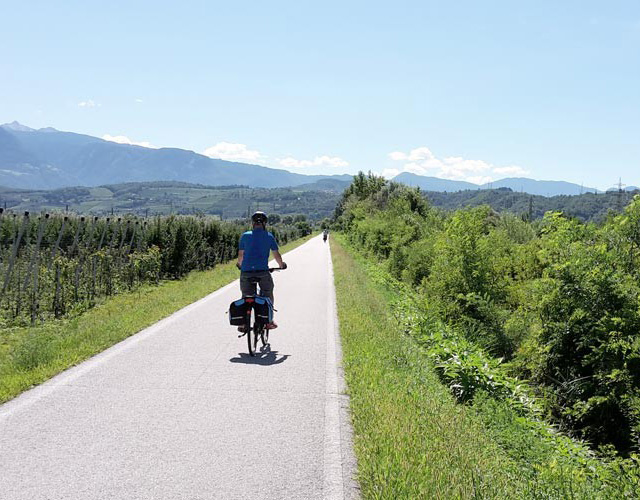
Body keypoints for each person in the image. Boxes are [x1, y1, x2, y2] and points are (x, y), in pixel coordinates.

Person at [236, 211, 286, 329]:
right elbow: (276, 254)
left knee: (246, 296)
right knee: (268, 294)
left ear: (253, 223)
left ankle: (243, 323)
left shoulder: (245, 236)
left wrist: (239, 264)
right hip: (263, 272)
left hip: (246, 272)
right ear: (264, 223)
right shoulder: (268, 236)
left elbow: (241, 255)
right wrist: (281, 264)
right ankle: (269, 321)